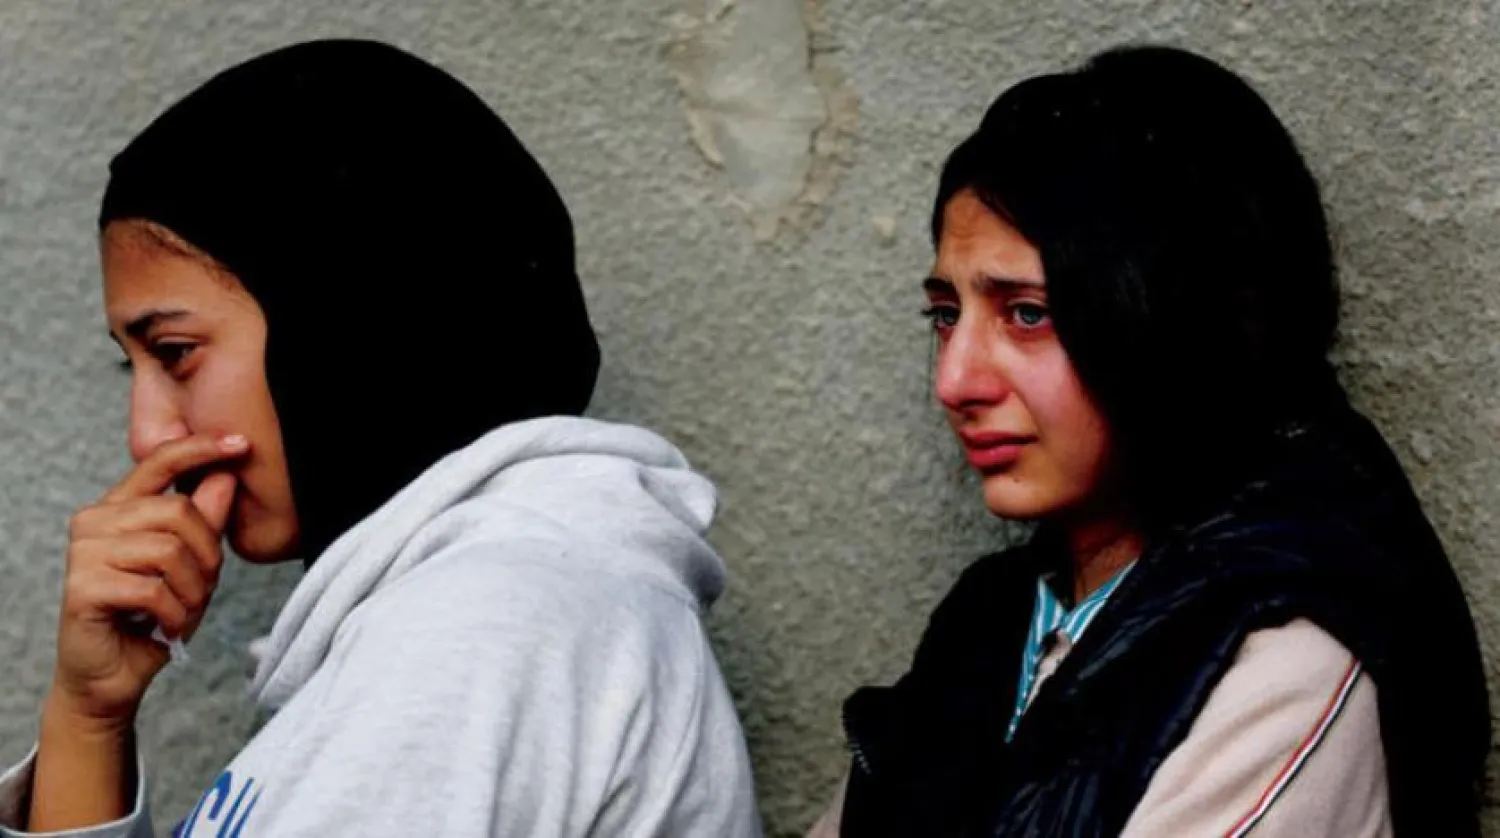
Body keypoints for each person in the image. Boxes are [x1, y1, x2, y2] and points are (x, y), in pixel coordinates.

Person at [0, 39, 761, 838]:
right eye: (135, 369)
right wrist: (89, 719)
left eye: (176, 354)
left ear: (349, 320)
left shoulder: (481, 629)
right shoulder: (454, 619)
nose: (147, 435)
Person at [809, 45, 1488, 837]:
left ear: (1175, 322)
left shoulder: (1287, 653)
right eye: (947, 314)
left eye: (1027, 314)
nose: (955, 380)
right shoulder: (991, 623)